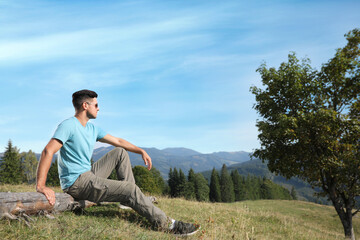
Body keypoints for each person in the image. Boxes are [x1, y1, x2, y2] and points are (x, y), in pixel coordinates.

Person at [36, 89, 200, 237]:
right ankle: (168, 225)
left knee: (119, 152)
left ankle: (127, 200)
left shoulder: (92, 129)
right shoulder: (68, 125)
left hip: (88, 174)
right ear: (85, 105)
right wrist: (41, 186)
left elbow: (118, 141)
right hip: (76, 182)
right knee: (130, 189)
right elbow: (48, 151)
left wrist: (140, 151)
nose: (98, 108)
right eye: (96, 105)